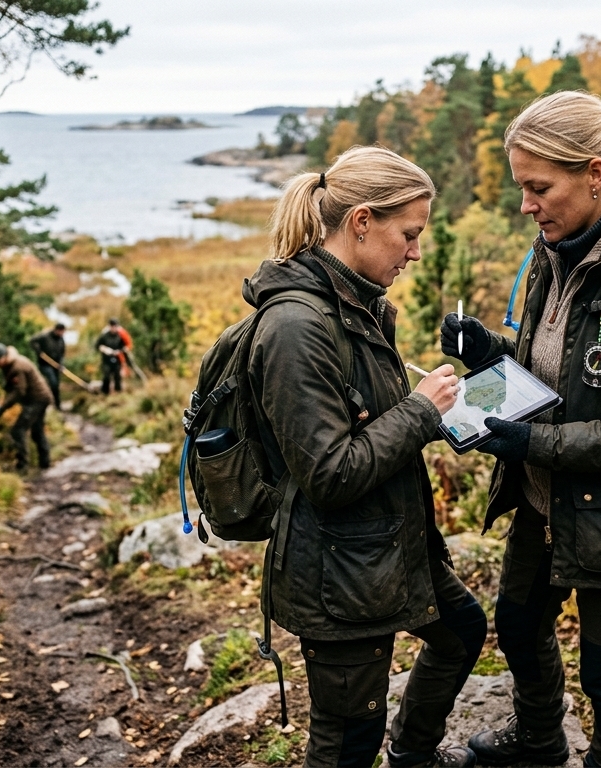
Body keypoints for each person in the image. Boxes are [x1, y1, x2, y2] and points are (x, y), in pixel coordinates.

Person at [442, 92, 601, 768]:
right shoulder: (552, 256)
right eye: (521, 188)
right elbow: (553, 376)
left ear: (594, 174)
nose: (526, 205)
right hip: (545, 500)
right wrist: (488, 353)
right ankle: (539, 740)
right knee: (518, 625)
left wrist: (532, 444)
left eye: (539, 188)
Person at [248, 146, 486, 768]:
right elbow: (328, 474)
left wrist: (437, 412)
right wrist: (420, 412)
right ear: (361, 222)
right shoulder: (297, 326)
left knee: (461, 631)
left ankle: (412, 755)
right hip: (337, 571)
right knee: (348, 739)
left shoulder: (357, 303)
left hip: (388, 546)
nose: (415, 252)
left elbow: (368, 425)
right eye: (408, 234)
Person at [0, 342, 54, 471]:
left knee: (18, 430)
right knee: (37, 430)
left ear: (2, 357)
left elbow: (19, 391)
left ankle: (22, 465)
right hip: (37, 399)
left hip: (37, 400)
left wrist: (2, 407)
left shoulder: (18, 367)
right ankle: (44, 463)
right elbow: (13, 385)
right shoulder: (9, 365)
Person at [30, 322, 67, 407]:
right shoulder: (45, 336)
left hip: (56, 365)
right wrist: (39, 352)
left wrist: (61, 364)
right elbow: (32, 341)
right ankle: (50, 403)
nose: (62, 333)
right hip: (45, 364)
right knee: (53, 382)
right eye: (61, 331)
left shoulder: (61, 340)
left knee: (56, 385)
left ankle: (57, 404)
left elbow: (62, 353)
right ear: (56, 330)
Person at [95, 319, 126, 394]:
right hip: (107, 360)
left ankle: (118, 393)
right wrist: (104, 349)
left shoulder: (120, 336)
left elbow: (124, 347)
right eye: (112, 326)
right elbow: (97, 346)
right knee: (106, 376)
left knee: (117, 377)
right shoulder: (104, 336)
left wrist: (119, 351)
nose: (114, 328)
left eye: (115, 326)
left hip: (117, 359)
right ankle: (104, 393)